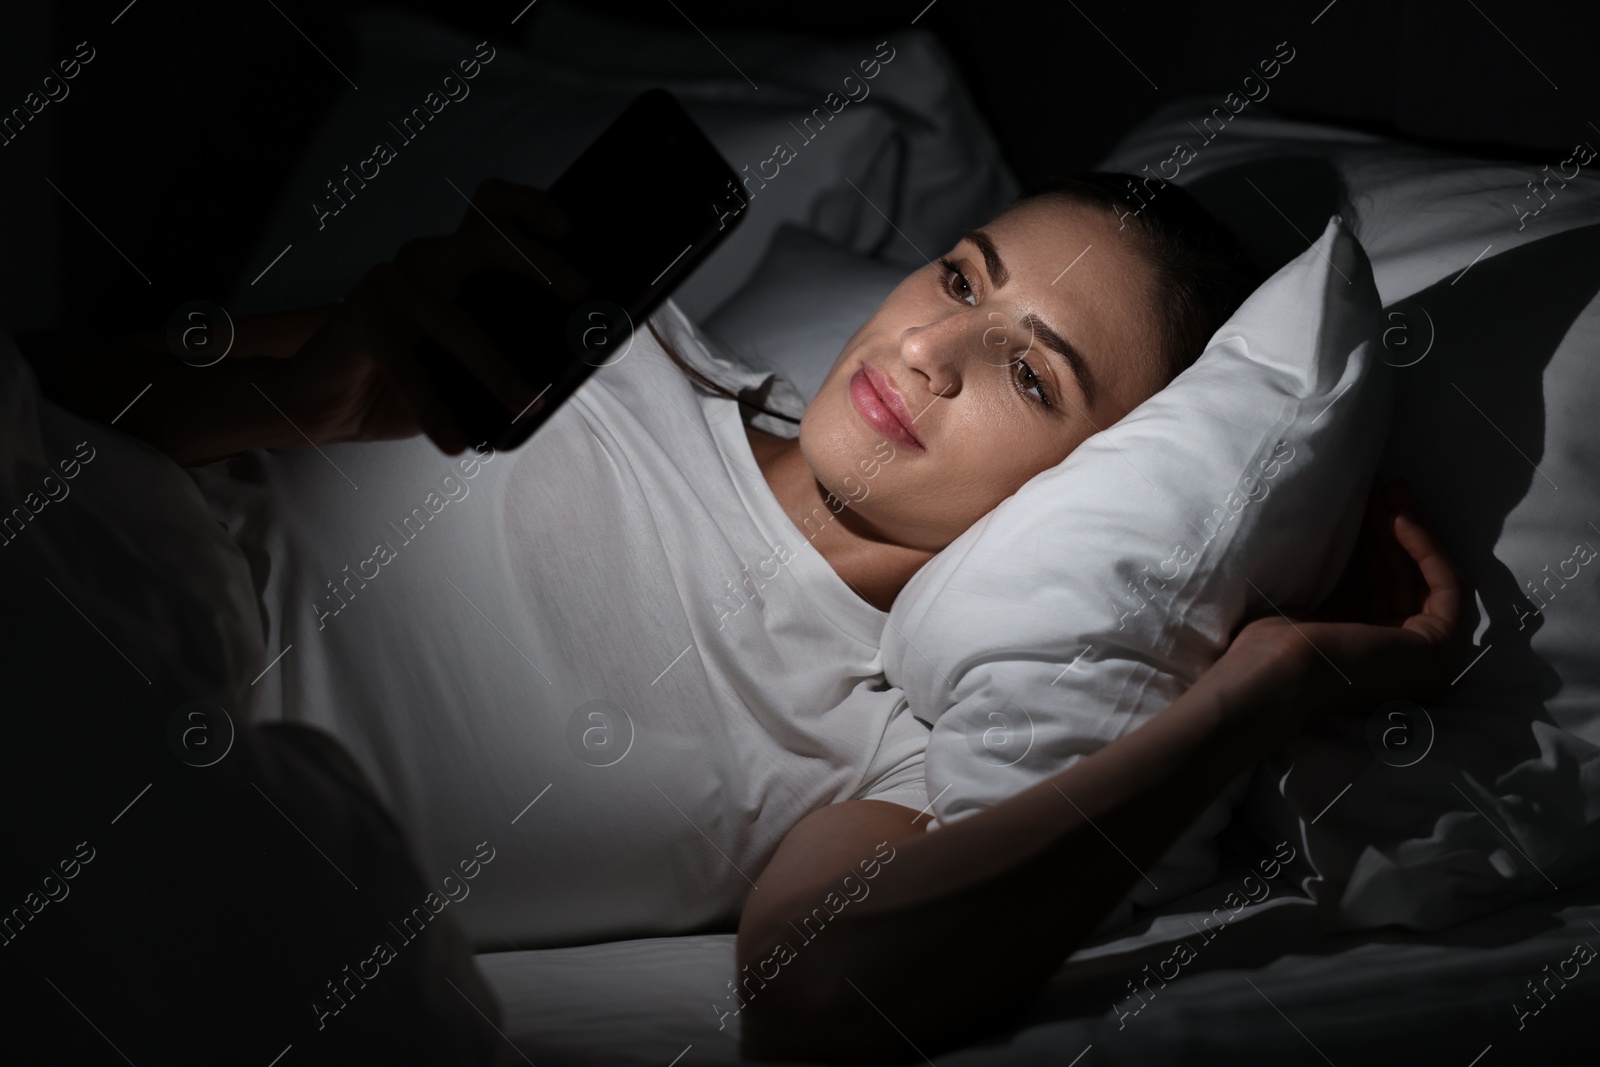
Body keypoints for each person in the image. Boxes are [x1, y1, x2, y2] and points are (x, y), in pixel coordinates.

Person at [16, 174, 1474, 1060]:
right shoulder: (605, 338)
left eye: (1032, 376)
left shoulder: (890, 724)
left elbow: (814, 998)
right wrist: (305, 394)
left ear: (1101, 482)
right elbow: (49, 388)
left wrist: (1258, 695)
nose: (934, 346)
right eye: (962, 276)